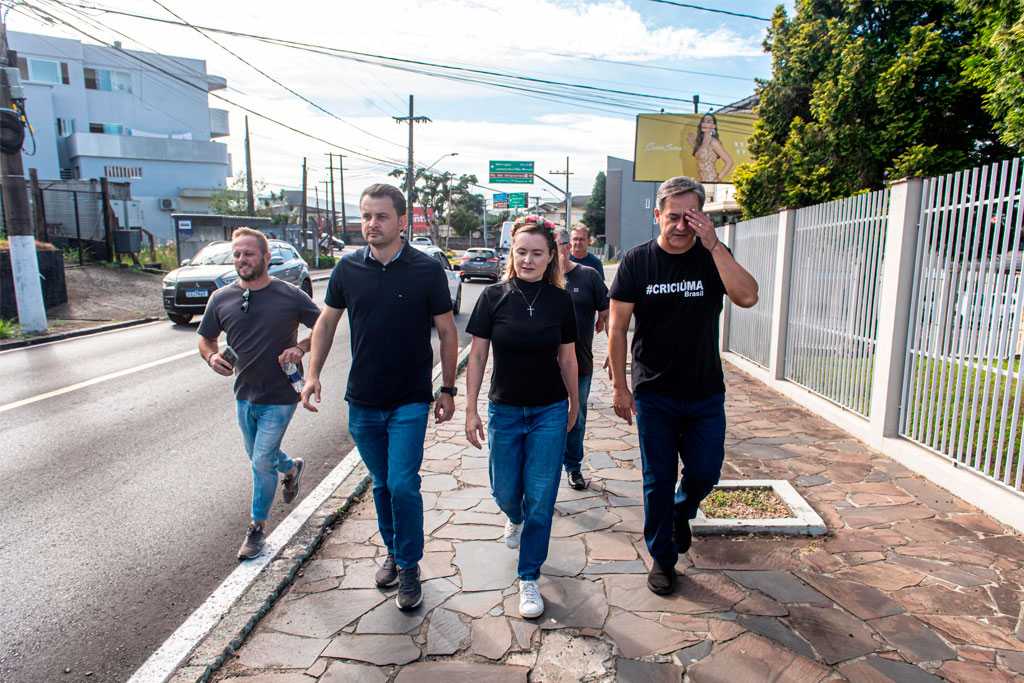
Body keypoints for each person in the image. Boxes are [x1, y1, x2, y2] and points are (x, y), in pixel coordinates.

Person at [300, 183, 459, 612]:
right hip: (363, 401)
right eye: (366, 215)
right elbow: (327, 324)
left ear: (402, 221)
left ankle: (409, 567)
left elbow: (447, 331)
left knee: (404, 484)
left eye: (381, 216)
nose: (372, 223)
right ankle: (393, 551)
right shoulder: (347, 269)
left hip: (409, 398)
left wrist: (447, 388)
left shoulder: (425, 269)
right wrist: (312, 374)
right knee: (383, 484)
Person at [607, 176, 757, 596]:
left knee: (706, 471)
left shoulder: (713, 256)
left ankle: (681, 512)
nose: (679, 226)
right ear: (657, 216)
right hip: (654, 391)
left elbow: (748, 297)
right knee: (658, 477)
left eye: (689, 217)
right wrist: (621, 386)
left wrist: (713, 245)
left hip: (705, 389)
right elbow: (617, 328)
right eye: (672, 217)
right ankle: (663, 558)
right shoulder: (637, 262)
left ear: (702, 218)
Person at [464, 215, 579, 619]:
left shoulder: (561, 301)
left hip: (549, 409)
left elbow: (567, 357)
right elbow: (477, 355)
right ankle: (513, 519)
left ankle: (528, 576)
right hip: (505, 410)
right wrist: (471, 408)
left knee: (543, 497)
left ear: (551, 257)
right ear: (511, 254)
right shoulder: (494, 297)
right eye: (521, 252)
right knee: (505, 491)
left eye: (537, 253)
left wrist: (575, 404)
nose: (528, 259)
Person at [197, 227, 322, 561]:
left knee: (261, 462)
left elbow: (323, 325)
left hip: (281, 395)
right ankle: (292, 468)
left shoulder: (290, 295)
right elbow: (205, 338)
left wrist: (301, 347)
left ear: (267, 258)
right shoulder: (221, 298)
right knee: (260, 459)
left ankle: (257, 529)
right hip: (244, 395)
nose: (242, 260)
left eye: (249, 253)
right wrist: (211, 357)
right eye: (237, 254)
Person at [555, 227, 609, 490]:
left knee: (577, 417)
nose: (556, 251)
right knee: (547, 418)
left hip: (580, 362)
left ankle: (573, 466)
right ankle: (547, 467)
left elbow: (609, 313)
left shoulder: (589, 275)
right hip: (544, 365)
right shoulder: (540, 278)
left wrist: (613, 348)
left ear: (567, 247)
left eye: (558, 245)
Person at [686, 113, 734, 183]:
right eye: (703, 121)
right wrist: (692, 143)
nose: (705, 124)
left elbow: (729, 162)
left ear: (713, 126)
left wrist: (718, 179)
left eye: (708, 122)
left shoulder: (713, 142)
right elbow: (702, 155)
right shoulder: (701, 143)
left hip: (711, 181)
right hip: (700, 181)